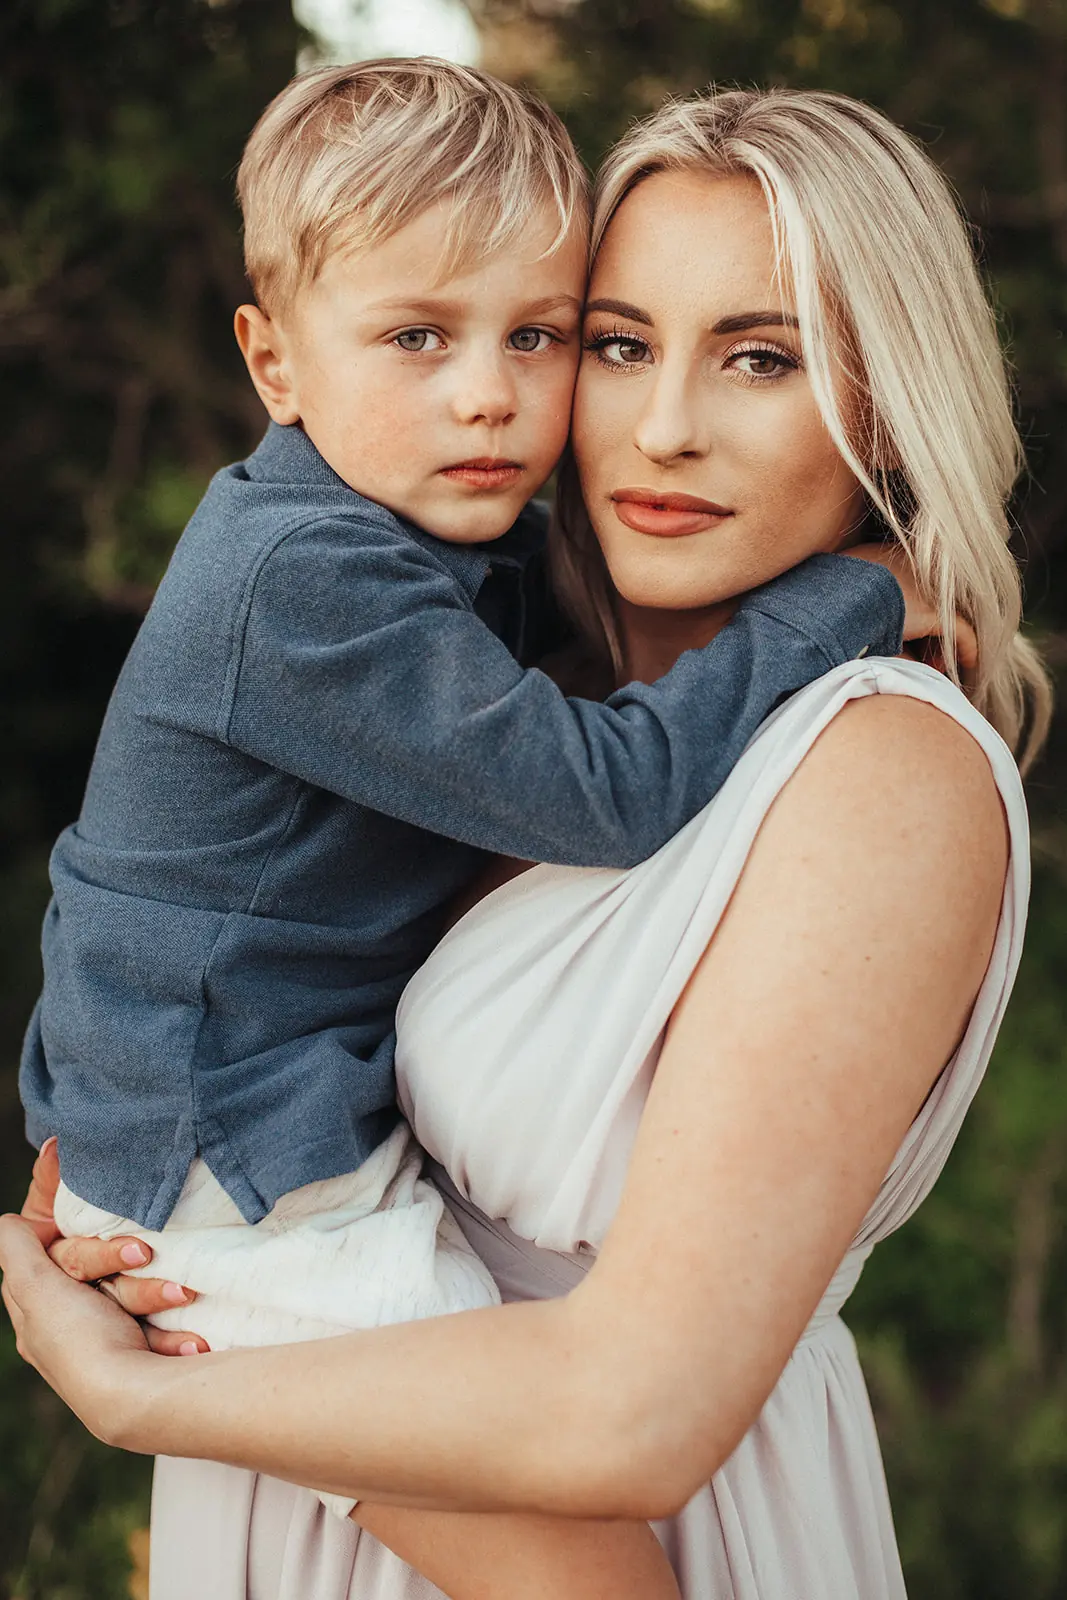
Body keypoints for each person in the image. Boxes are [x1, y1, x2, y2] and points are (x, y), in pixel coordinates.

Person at [3, 85, 1049, 1599]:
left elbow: (632, 1415)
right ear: (273, 358)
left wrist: (137, 1392)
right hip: (305, 1371)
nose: (662, 423)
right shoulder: (492, 659)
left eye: (758, 357)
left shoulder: (874, 760)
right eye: (621, 344)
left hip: (566, 1475)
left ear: (886, 402)